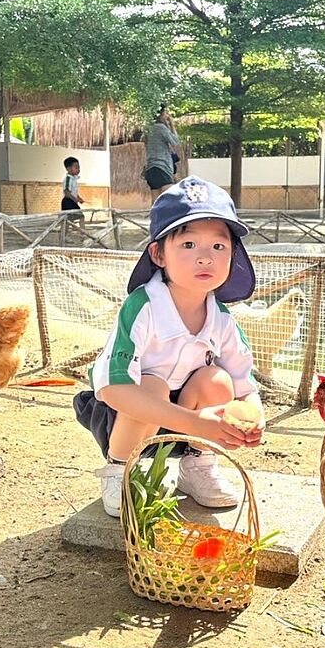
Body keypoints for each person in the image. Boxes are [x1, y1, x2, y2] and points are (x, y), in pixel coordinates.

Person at [73, 176, 264, 517]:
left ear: (233, 254)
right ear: (158, 254)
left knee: (216, 380)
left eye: (218, 247)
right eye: (188, 245)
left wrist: (253, 416)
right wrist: (195, 423)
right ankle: (121, 470)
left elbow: (243, 383)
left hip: (190, 419)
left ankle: (197, 465)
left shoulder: (221, 318)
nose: (205, 258)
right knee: (153, 384)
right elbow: (115, 390)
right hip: (125, 416)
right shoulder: (143, 307)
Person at [143, 107, 182, 200]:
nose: (167, 115)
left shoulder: (148, 129)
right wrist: (172, 124)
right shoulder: (160, 128)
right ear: (160, 115)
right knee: (169, 198)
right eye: (165, 113)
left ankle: (154, 215)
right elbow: (175, 141)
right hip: (162, 167)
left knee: (156, 201)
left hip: (151, 167)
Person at [61, 156, 85, 229]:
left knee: (80, 217)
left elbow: (73, 192)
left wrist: (79, 198)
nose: (78, 170)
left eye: (79, 167)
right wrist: (74, 199)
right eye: (76, 167)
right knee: (68, 220)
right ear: (68, 169)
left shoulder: (74, 179)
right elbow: (67, 192)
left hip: (72, 201)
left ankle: (83, 234)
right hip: (68, 201)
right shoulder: (68, 179)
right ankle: (64, 236)